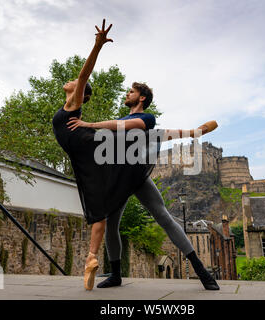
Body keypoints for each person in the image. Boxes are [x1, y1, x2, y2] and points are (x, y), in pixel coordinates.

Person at [53, 19, 219, 291]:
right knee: (110, 224)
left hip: (135, 172)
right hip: (116, 174)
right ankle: (116, 273)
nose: (127, 94)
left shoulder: (147, 117)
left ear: (141, 98)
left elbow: (140, 129)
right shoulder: (120, 117)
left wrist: (89, 124)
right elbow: (110, 134)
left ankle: (201, 271)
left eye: (131, 91)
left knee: (164, 217)